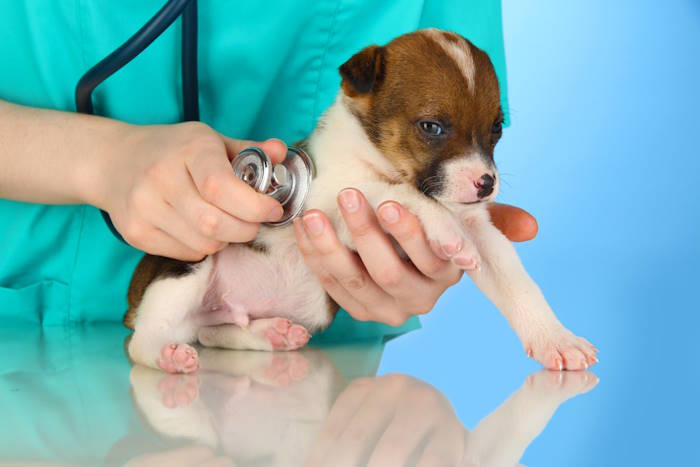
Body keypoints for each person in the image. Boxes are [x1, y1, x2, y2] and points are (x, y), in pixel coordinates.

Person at [0, 1, 536, 331]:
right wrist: (93, 158)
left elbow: (463, 118)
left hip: (308, 359)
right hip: (23, 346)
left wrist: (424, 255)